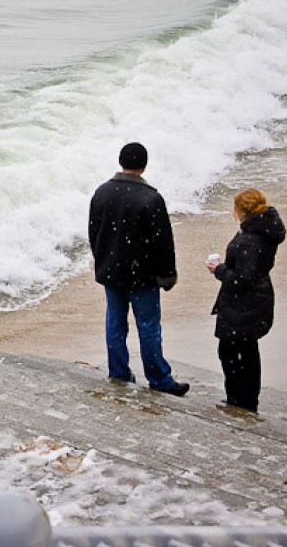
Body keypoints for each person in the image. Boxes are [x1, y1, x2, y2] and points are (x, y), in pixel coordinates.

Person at [88, 142, 189, 396]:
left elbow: (94, 232)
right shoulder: (150, 198)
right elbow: (163, 241)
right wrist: (167, 274)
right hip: (142, 276)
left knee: (115, 324)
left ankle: (119, 373)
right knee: (149, 327)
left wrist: (102, 262)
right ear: (144, 165)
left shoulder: (101, 192)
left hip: (112, 272)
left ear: (121, 162)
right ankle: (159, 380)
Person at [207, 188, 285, 412]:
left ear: (242, 210)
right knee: (248, 352)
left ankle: (239, 401)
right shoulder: (265, 230)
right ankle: (246, 401)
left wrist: (220, 269)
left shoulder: (248, 240)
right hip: (259, 298)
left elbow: (242, 280)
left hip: (242, 306)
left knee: (232, 354)